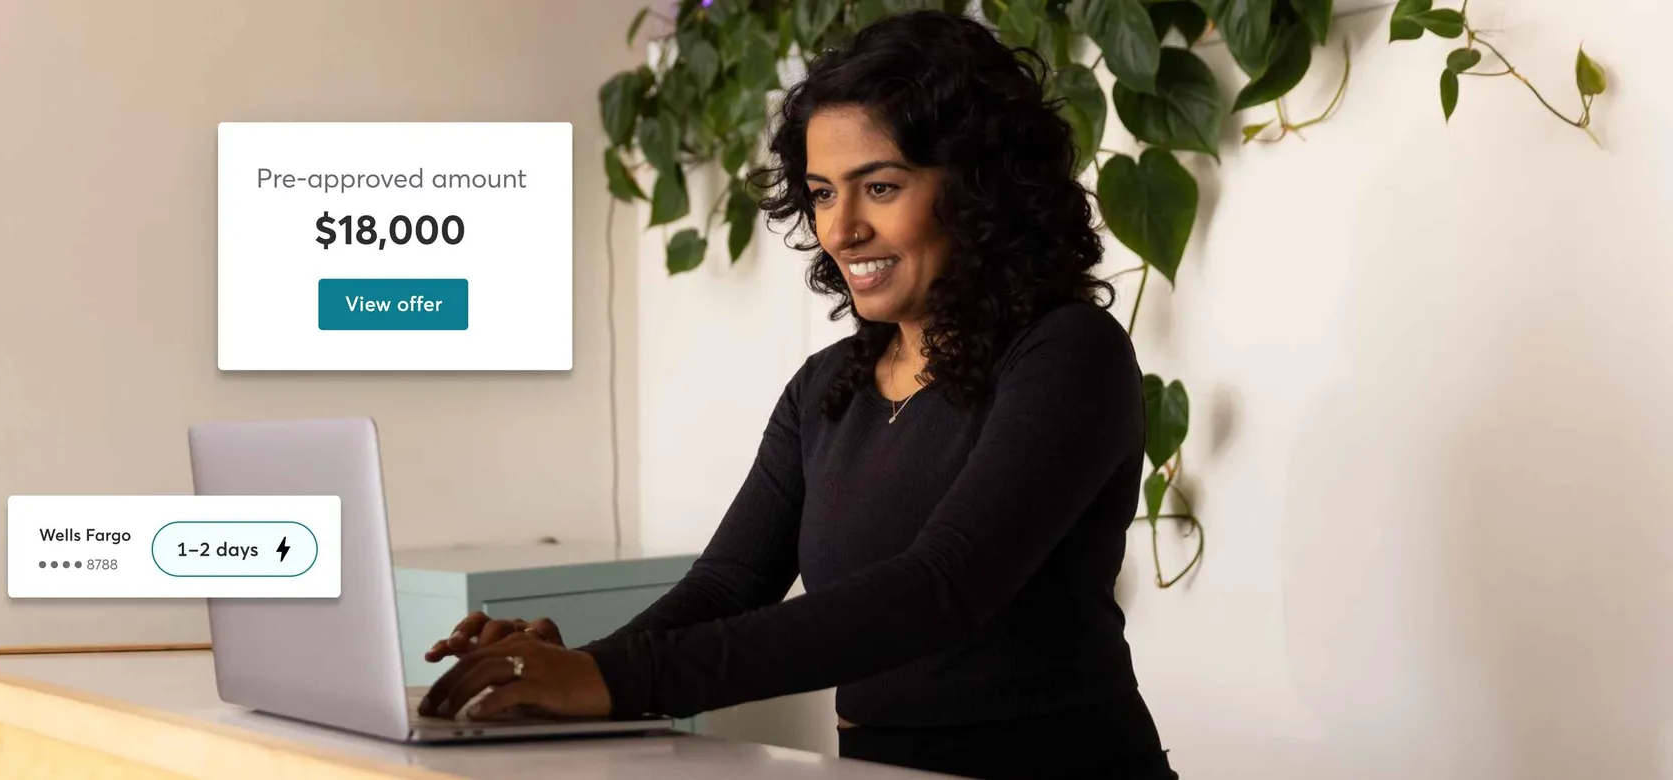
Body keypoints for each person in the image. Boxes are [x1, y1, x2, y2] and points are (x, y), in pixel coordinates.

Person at [417, 10, 1175, 779]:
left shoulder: (1067, 354)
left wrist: (614, 679)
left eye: (880, 186)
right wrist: (566, 672)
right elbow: (728, 586)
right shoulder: (825, 386)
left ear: (983, 189)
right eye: (820, 193)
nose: (840, 229)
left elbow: (943, 588)